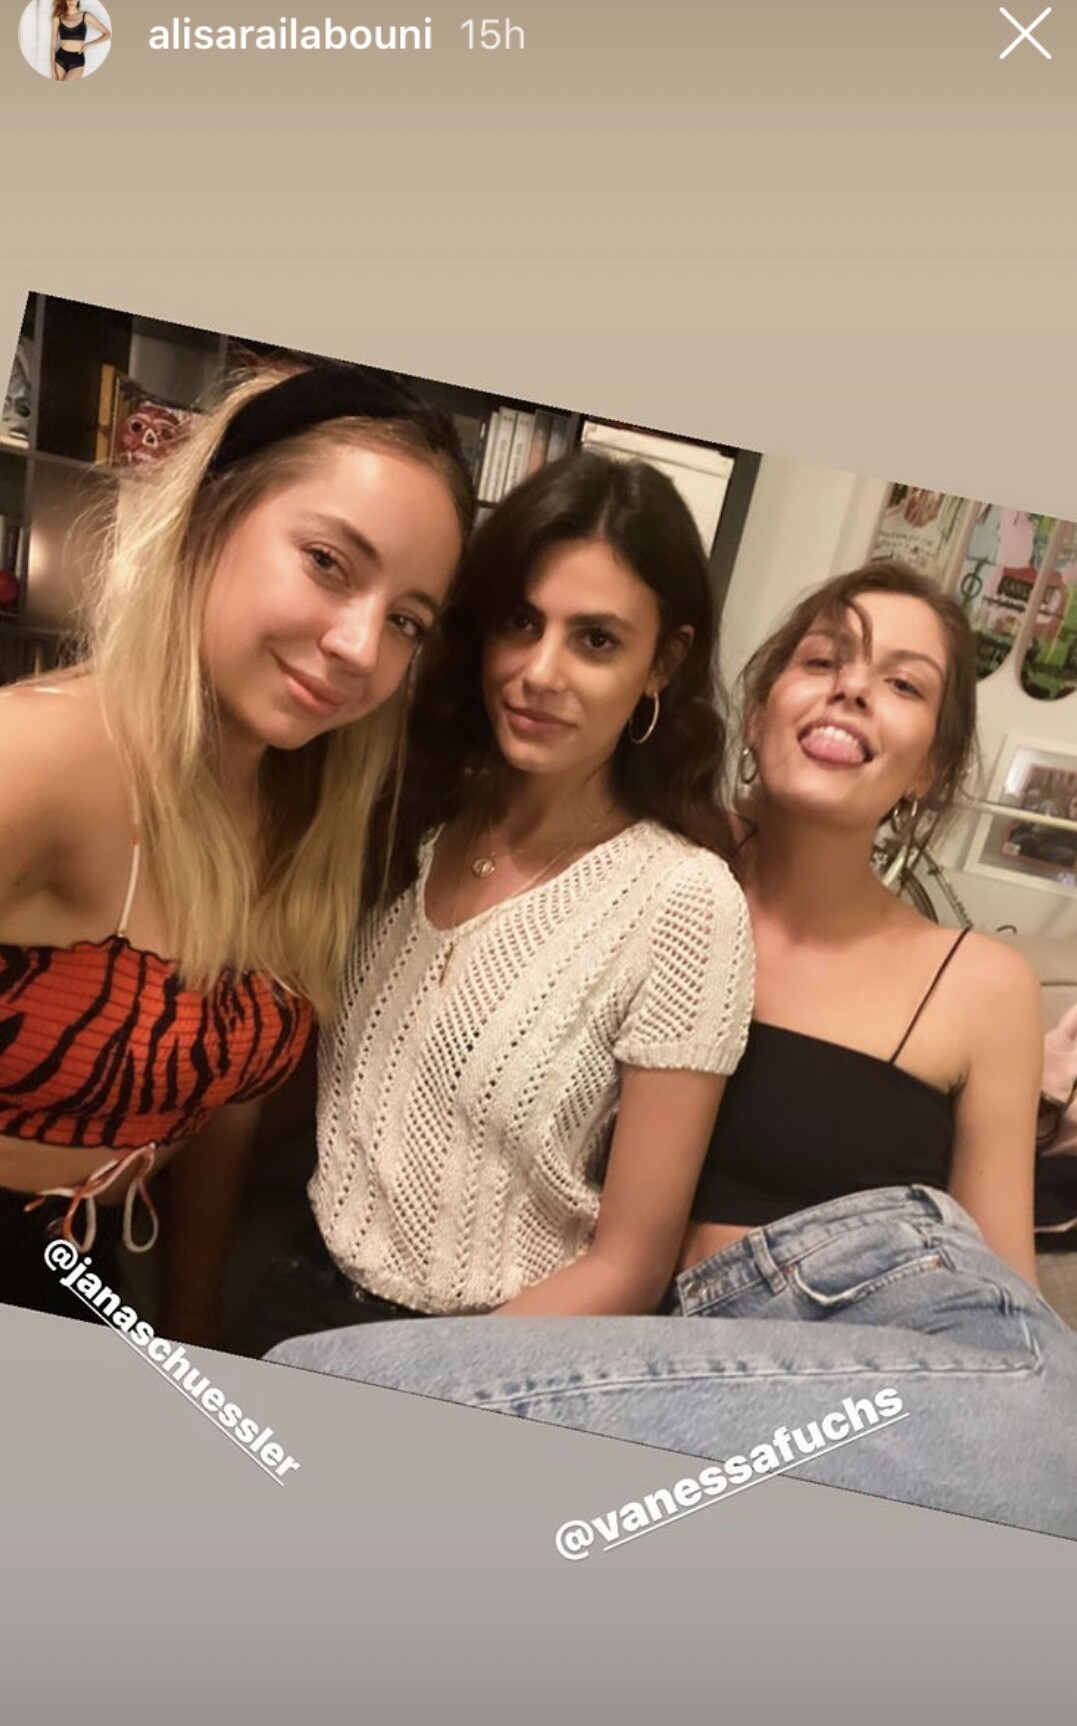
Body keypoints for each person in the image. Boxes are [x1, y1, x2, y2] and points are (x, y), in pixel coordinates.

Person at [268, 562, 1077, 1541]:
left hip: (860, 1381)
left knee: (1042, 1404)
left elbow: (1003, 1313)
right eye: (822, 660)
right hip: (626, 1372)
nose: (852, 689)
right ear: (759, 706)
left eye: (903, 684)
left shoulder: (980, 982)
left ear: (931, 769)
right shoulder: (632, 878)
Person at [231, 451, 753, 1355]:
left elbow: (631, 1265)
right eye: (520, 622)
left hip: (490, 1354)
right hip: (295, 1285)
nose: (539, 672)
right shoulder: (402, 813)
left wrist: (412, 1379)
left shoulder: (684, 902)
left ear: (662, 662)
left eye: (596, 640)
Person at [0, 362, 473, 1335]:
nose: (361, 648)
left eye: (406, 621)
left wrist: (193, 1320)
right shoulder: (45, 754)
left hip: (90, 1255)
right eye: (329, 563)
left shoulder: (294, 808)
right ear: (211, 514)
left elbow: (222, 1103)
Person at [51, 3, 110, 80]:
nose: (71, 1)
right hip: (60, 59)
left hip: (77, 60)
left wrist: (89, 44)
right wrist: (53, 72)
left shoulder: (86, 16)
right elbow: (53, 46)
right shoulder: (58, 17)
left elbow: (107, 34)